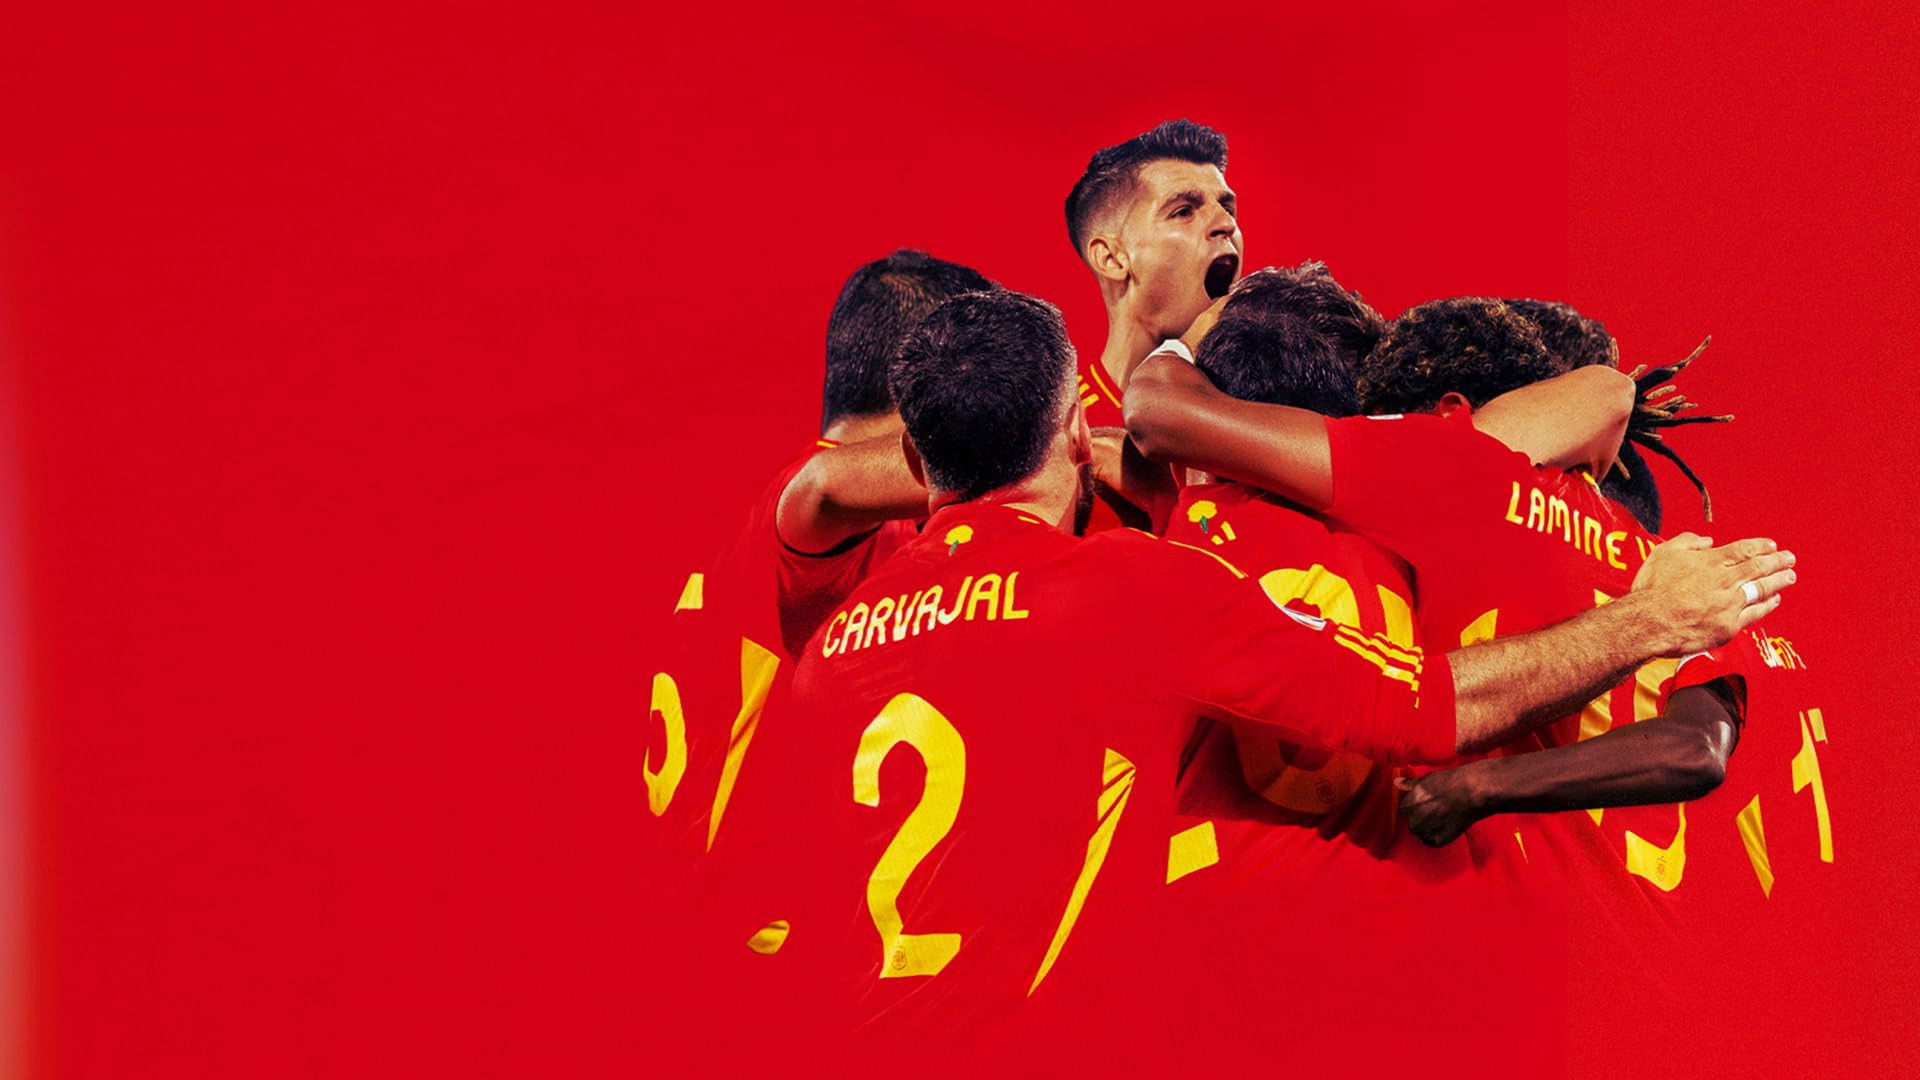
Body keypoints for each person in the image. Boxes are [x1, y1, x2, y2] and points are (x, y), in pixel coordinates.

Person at [766, 288, 1794, 1061]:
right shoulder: (1148, 583)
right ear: (1076, 428)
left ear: (920, 463)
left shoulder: (835, 648)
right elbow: (1430, 706)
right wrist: (1645, 621)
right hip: (1364, 996)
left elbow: (818, 491)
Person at [1064, 119, 1243, 528]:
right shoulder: (1057, 437)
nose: (1226, 224)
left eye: (1227, 207)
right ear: (1113, 259)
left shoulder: (1275, 419)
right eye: (1183, 211)